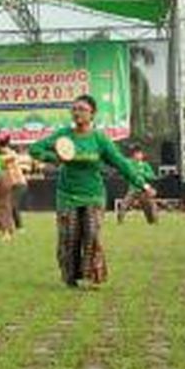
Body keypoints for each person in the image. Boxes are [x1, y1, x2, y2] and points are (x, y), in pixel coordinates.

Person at [30, 94, 148, 289]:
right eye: (74, 109)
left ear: (92, 114)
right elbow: (35, 149)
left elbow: (120, 163)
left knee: (92, 234)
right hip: (67, 194)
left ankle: (92, 275)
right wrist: (56, 157)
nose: (77, 113)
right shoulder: (64, 135)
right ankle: (70, 277)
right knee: (69, 237)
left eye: (82, 109)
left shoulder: (100, 139)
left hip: (93, 194)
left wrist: (142, 184)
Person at [117, 148, 158, 225]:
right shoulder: (130, 163)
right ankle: (120, 221)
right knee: (124, 204)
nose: (138, 156)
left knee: (149, 206)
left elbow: (152, 176)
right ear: (133, 155)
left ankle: (153, 222)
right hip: (133, 189)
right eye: (136, 154)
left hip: (144, 190)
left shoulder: (145, 165)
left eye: (140, 154)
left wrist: (143, 174)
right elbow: (125, 168)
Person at [0, 133, 28, 231]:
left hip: (19, 183)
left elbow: (8, 157)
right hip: (12, 184)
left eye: (1, 148)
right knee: (5, 204)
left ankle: (17, 227)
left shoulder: (10, 154)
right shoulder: (6, 154)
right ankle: (2, 226)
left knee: (12, 204)